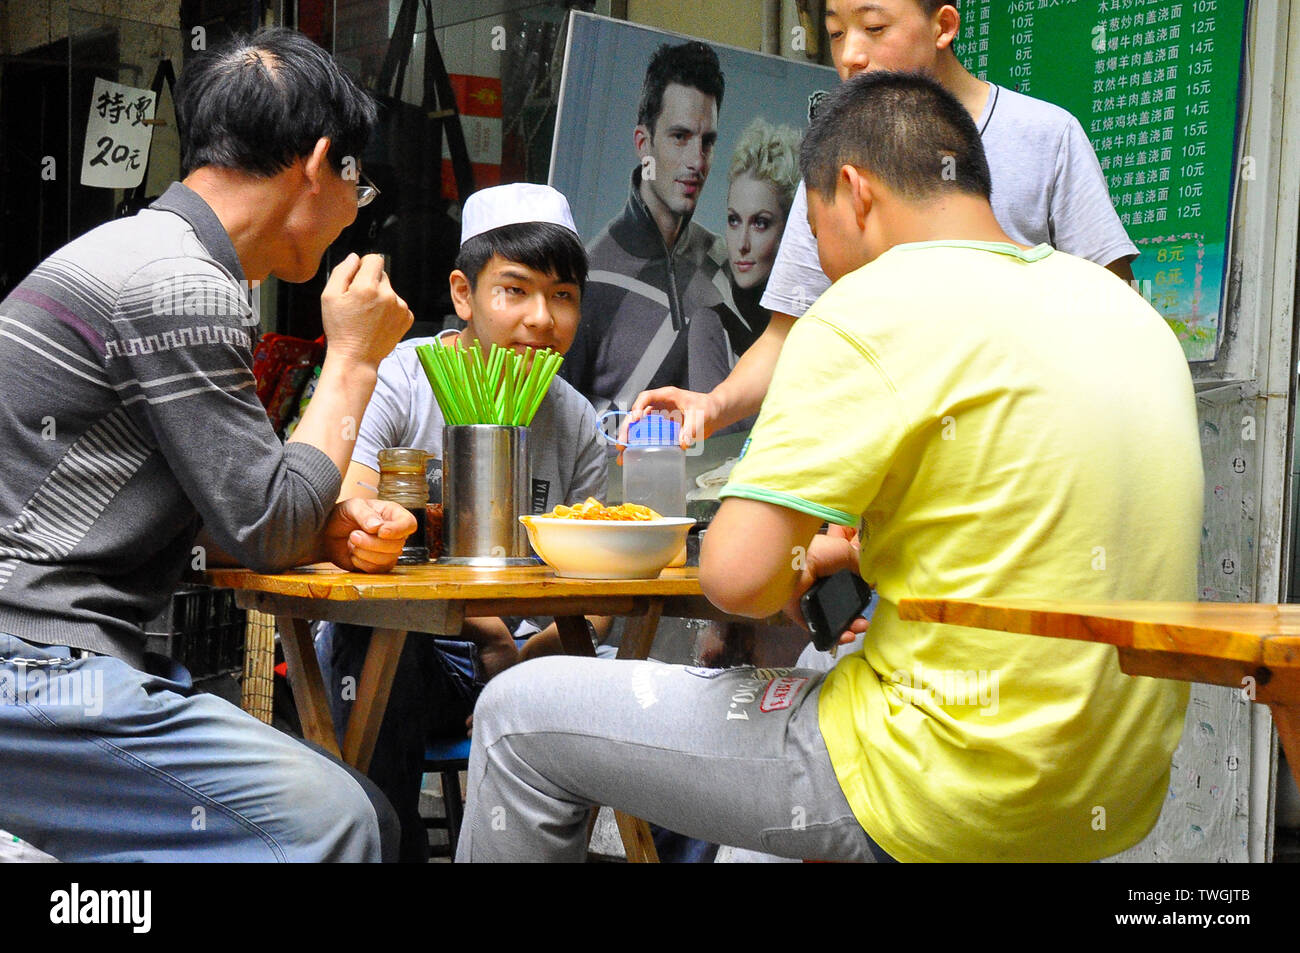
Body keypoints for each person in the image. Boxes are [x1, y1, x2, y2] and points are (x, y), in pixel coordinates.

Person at [453, 71, 1202, 863]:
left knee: (514, 712)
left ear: (855, 191)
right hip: (1114, 791)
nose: (824, 269)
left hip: (931, 782)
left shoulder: (872, 306)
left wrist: (800, 556)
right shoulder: (1129, 313)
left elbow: (738, 578)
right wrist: (850, 549)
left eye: (814, 229)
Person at [0, 27, 416, 862]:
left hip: (45, 655)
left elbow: (238, 505)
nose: (351, 213)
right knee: (339, 821)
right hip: (31, 664)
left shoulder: (140, 252)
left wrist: (319, 519)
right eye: (358, 187)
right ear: (322, 161)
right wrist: (354, 360)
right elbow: (269, 524)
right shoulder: (181, 281)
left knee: (365, 806)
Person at [632, 0, 1139, 446]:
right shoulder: (835, 158)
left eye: (874, 28)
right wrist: (714, 406)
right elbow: (788, 333)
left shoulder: (1045, 136)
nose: (851, 54)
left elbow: (1114, 311)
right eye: (834, 33)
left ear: (943, 27)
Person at [318, 183, 611, 862]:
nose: (542, 318)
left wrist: (514, 669)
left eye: (564, 295)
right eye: (516, 290)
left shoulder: (576, 423)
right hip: (420, 655)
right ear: (462, 294)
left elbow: (595, 610)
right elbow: (352, 521)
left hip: (536, 660)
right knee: (379, 641)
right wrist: (484, 632)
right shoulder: (403, 378)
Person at [560, 40, 749, 414]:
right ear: (643, 143)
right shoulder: (588, 278)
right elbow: (562, 428)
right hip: (619, 471)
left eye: (707, 142)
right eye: (680, 137)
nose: (696, 160)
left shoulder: (727, 261)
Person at [687, 118, 801, 425]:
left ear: (790, 228)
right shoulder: (711, 325)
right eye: (734, 220)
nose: (743, 244)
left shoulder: (817, 320)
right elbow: (713, 448)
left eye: (761, 223)